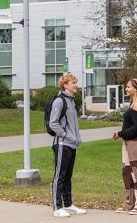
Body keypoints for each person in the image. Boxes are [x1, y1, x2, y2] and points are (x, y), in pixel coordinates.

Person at [112, 78, 137, 215]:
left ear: (135, 89)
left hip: (136, 143)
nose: (126, 89)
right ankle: (130, 204)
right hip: (128, 143)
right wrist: (123, 135)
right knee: (127, 172)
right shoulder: (133, 103)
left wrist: (120, 133)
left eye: (128, 87)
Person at [49, 74, 87, 218]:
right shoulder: (60, 101)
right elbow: (53, 123)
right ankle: (57, 207)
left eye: (76, 82)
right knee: (59, 176)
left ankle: (68, 205)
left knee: (68, 176)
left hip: (72, 144)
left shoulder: (71, 101)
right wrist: (67, 136)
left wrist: (77, 138)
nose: (76, 85)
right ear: (65, 85)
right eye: (73, 83)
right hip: (62, 144)